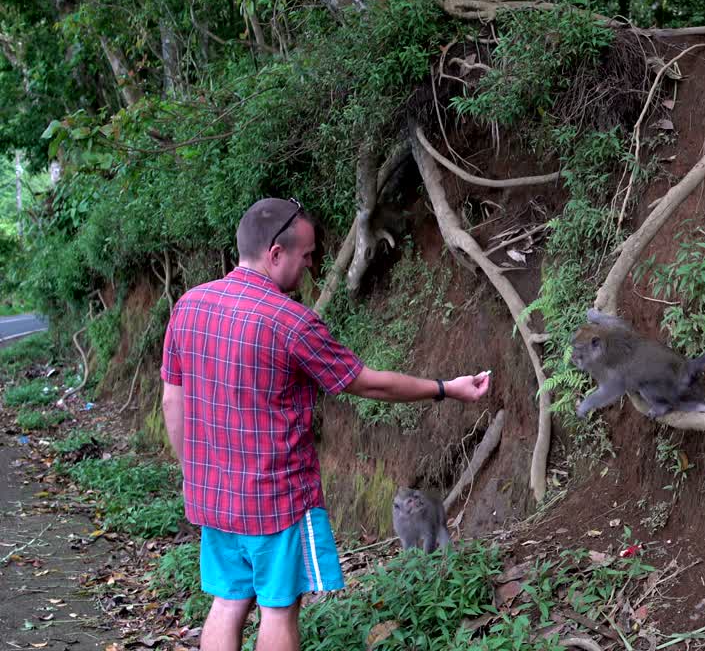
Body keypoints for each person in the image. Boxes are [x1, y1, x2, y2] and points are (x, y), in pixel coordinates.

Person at [160, 197, 490, 651]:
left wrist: (190, 471)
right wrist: (445, 388)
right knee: (278, 607)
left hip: (213, 494)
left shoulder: (189, 306)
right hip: (274, 500)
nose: (313, 265)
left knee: (228, 601)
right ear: (276, 254)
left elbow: (172, 397)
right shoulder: (289, 322)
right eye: (307, 254)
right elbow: (369, 385)